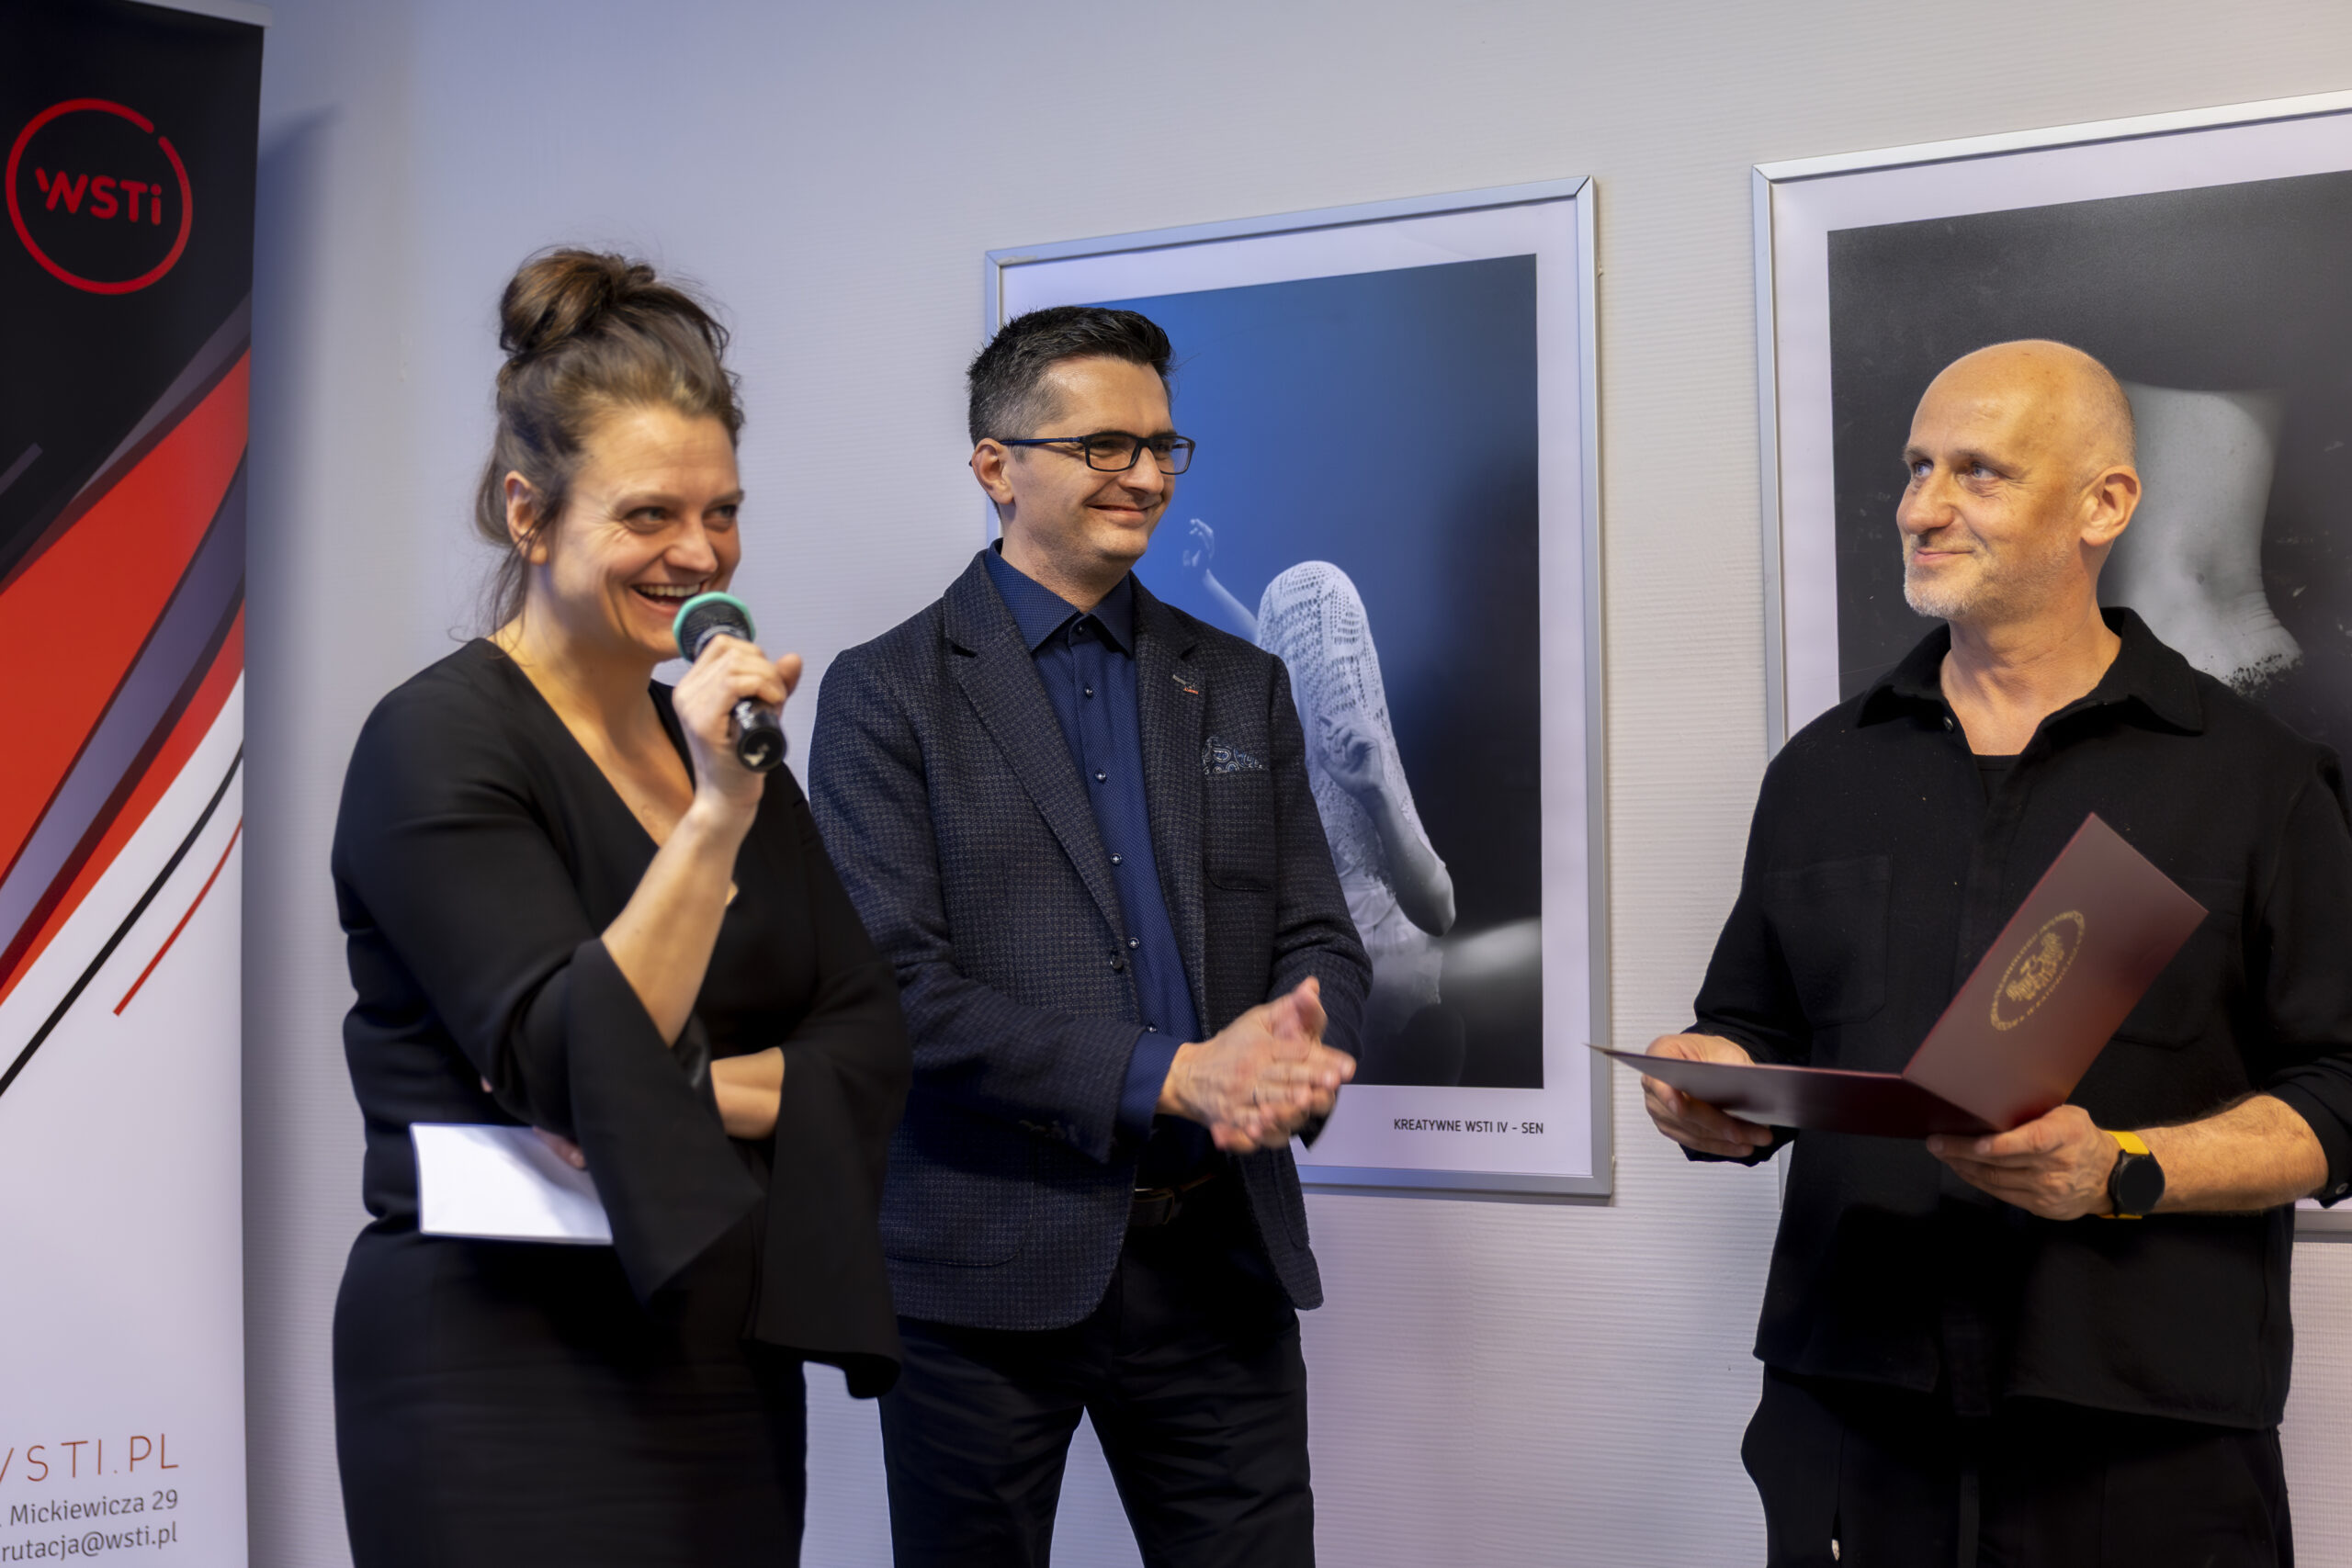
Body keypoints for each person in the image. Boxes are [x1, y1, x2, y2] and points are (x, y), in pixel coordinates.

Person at [1642, 339, 2352, 1566]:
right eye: (1916, 467)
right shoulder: (1821, 772)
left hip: (2146, 1444)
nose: (1921, 507)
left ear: (2103, 504)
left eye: (1977, 471)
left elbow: (2343, 1087)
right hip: (1853, 1427)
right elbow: (1752, 1026)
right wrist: (1713, 1084)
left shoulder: (2256, 781)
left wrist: (2126, 1169)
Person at [330, 250, 909, 1568]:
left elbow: (868, 1043)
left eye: (722, 511)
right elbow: (564, 1061)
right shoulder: (438, 742)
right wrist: (713, 817)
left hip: (713, 1343)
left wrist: (663, 1087)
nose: (699, 554)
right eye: (649, 514)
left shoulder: (723, 748)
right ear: (529, 515)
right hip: (495, 1352)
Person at [808, 304, 1371, 1568]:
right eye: (1105, 445)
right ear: (995, 466)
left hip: (1219, 1258)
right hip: (983, 1270)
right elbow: (894, 992)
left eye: (1164, 446)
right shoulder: (886, 692)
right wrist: (1173, 1074)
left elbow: (1319, 933)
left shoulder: (1240, 681)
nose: (1146, 475)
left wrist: (1298, 1042)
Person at [1181, 528, 1461, 1084]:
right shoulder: (1277, 724)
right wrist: (1206, 581)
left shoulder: (1355, 744)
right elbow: (1266, 650)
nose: (1317, 659)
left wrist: (1375, 796)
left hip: (1383, 993)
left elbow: (1440, 913)